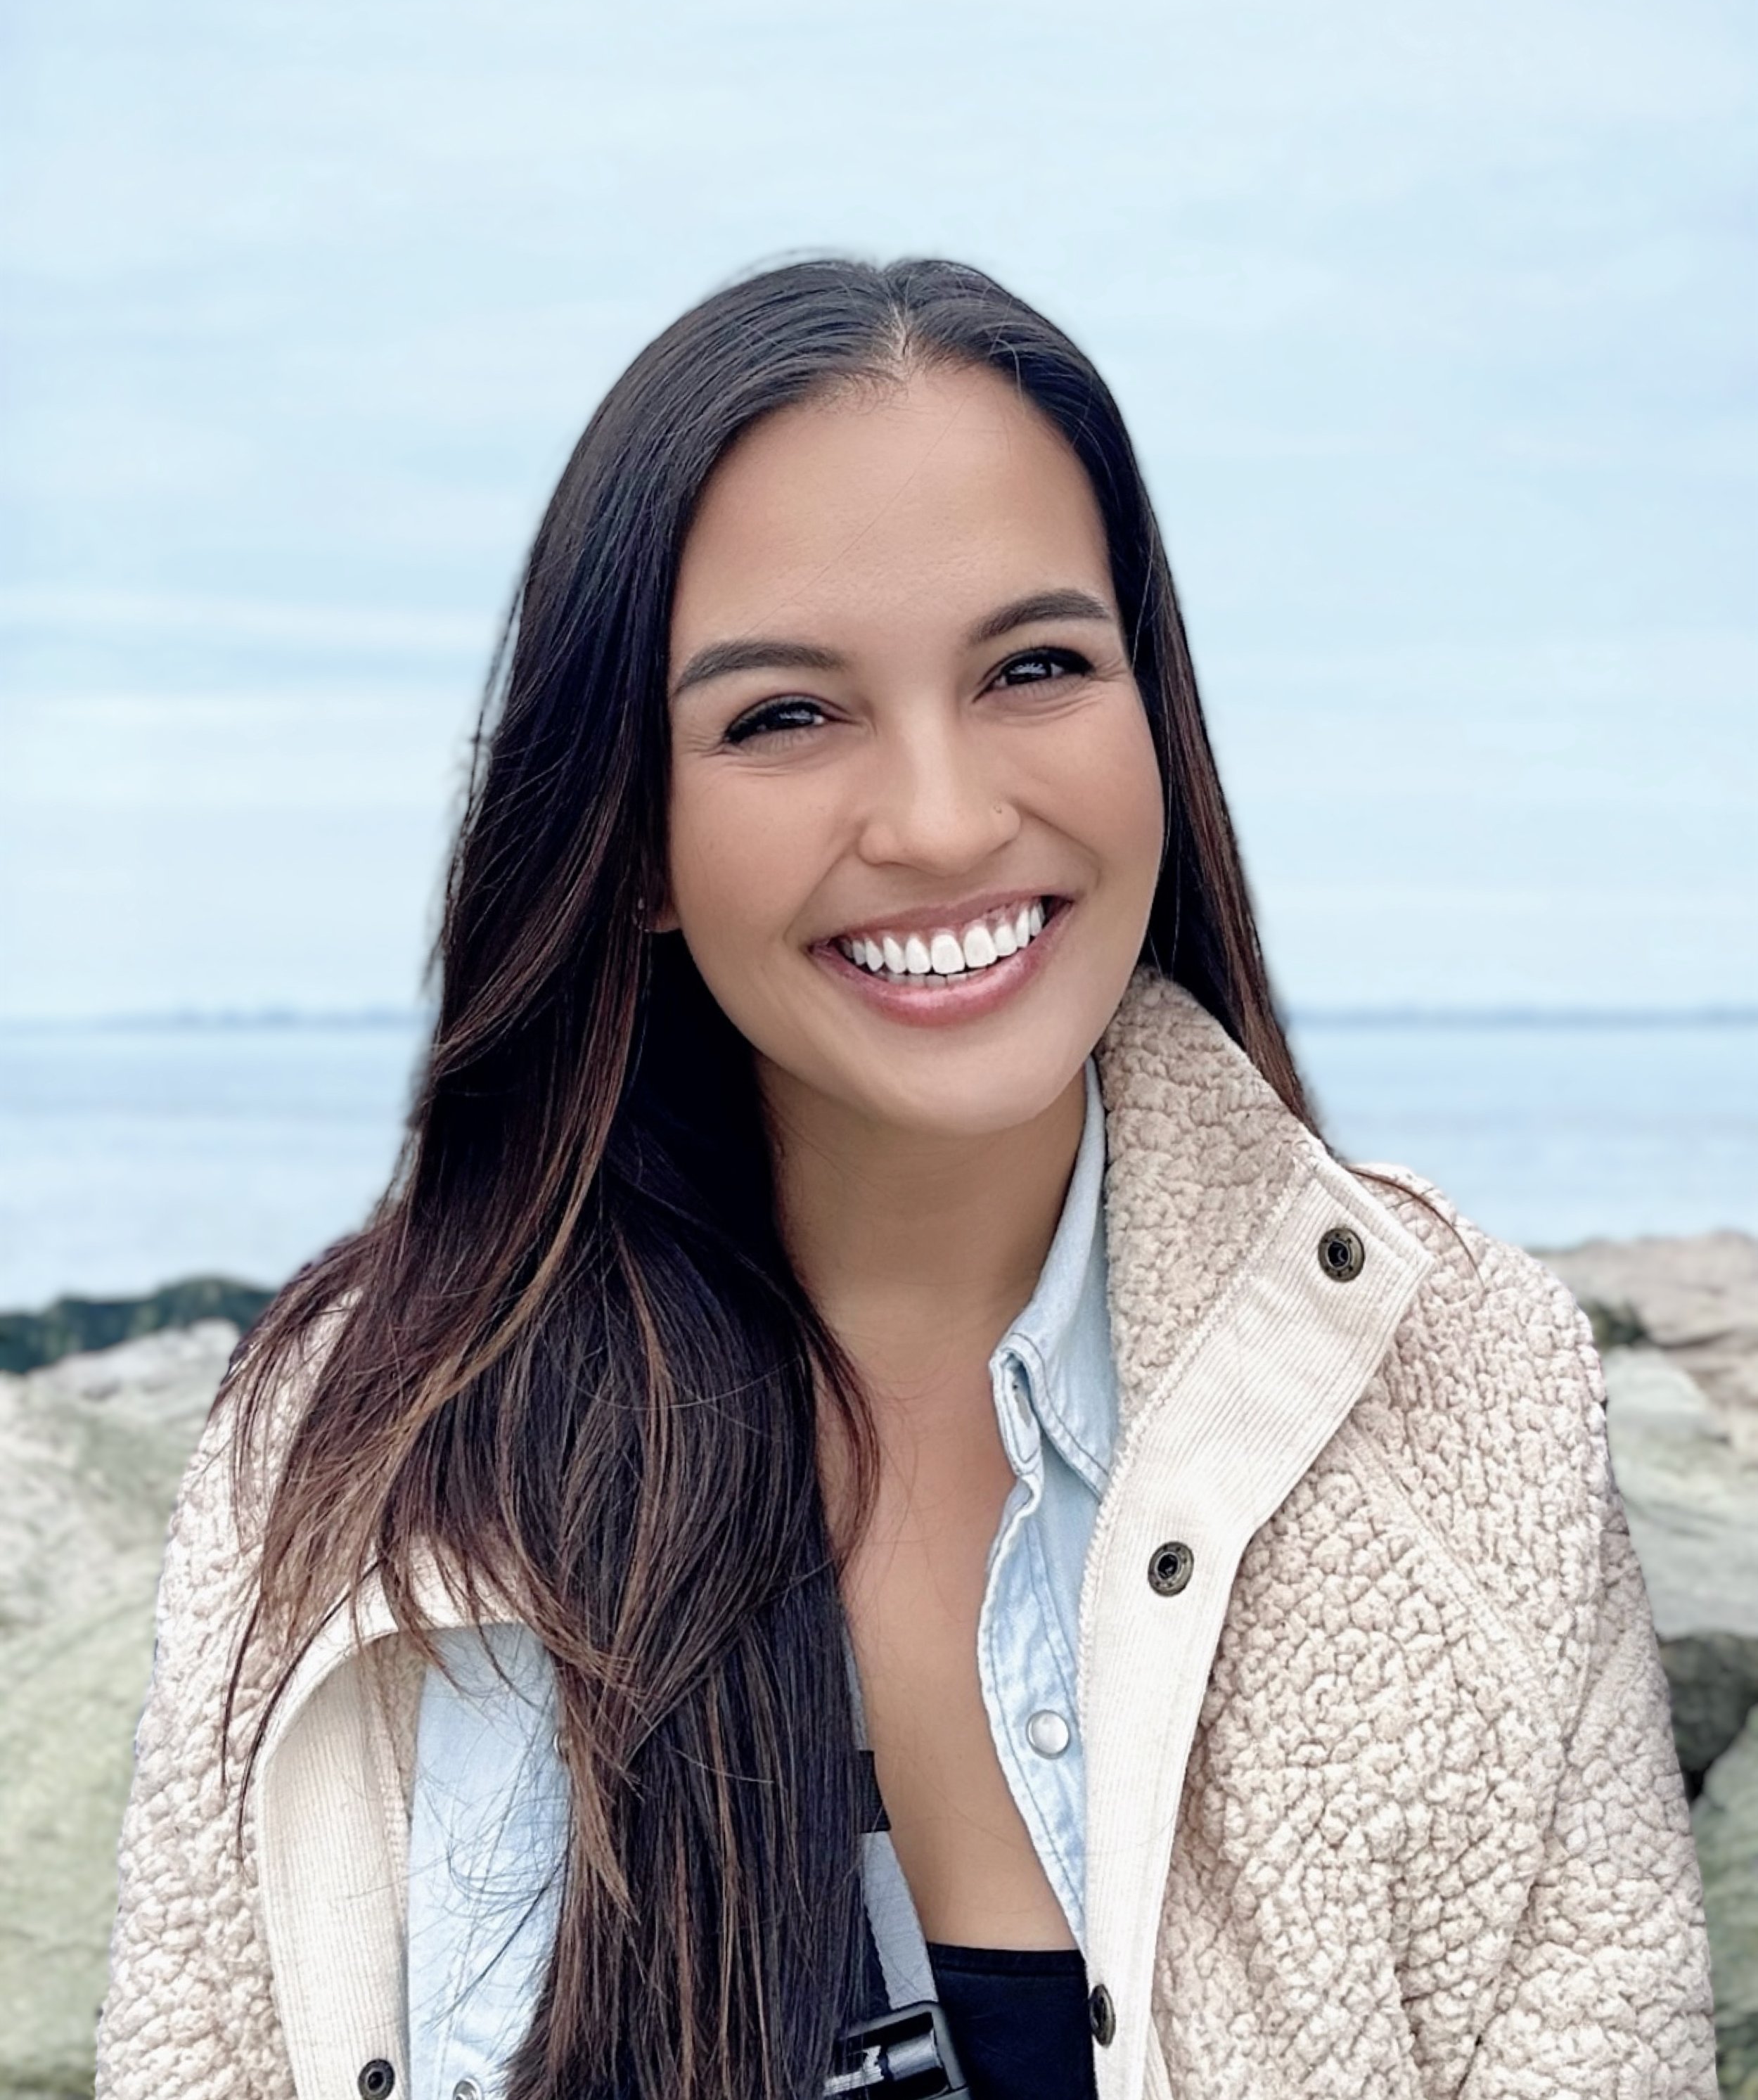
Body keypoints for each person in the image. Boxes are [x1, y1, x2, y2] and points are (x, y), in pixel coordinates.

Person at [96, 259, 1714, 2100]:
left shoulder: (1458, 1382)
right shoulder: (344, 1451)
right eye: (786, 715)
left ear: (1151, 723)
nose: (943, 820)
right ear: (629, 838)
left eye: (1033, 669)